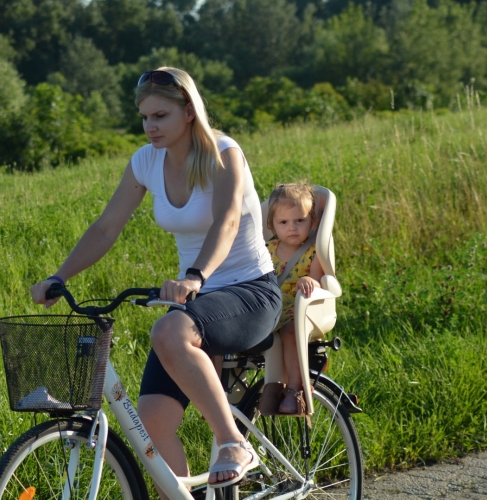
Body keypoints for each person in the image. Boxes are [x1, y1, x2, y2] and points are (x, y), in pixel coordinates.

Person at [29, 67, 281, 494]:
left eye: (161, 116)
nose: (150, 127)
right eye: (145, 117)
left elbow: (227, 221)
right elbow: (106, 228)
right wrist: (58, 276)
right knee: (151, 426)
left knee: (168, 330)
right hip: (199, 302)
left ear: (189, 112)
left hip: (250, 291)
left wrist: (195, 276)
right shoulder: (146, 161)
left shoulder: (223, 153)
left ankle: (233, 443)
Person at [265, 183, 325, 414]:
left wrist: (309, 281)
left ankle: (293, 390)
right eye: (283, 222)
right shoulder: (266, 250)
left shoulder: (314, 252)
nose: (292, 227)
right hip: (269, 310)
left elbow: (318, 282)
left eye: (299, 220)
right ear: (272, 225)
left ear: (312, 222)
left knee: (290, 333)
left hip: (298, 312)